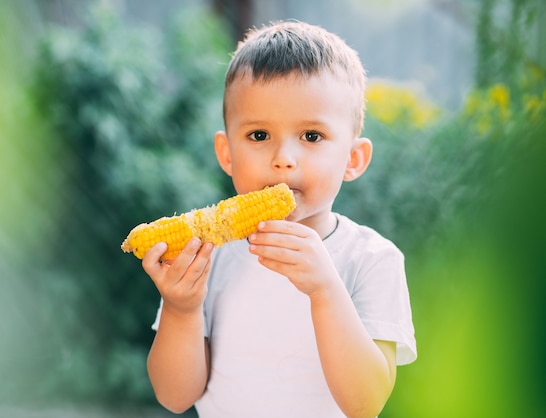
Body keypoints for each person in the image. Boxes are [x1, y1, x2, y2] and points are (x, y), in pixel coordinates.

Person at [141, 20, 417, 418]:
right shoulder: (208, 257)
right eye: (258, 136)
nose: (283, 158)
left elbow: (365, 404)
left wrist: (325, 290)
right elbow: (174, 395)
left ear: (352, 160)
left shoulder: (371, 259)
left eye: (311, 136)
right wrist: (181, 309)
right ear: (227, 153)